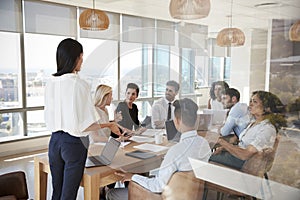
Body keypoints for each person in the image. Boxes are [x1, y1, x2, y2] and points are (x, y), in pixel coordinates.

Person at [44, 38, 120, 200]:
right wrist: (110, 124)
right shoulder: (79, 84)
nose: (82, 62)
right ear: (75, 58)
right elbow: (87, 124)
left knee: (57, 191)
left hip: (54, 142)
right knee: (69, 195)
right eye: (81, 57)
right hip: (73, 144)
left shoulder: (50, 83)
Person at [106, 98, 211, 200]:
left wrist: (132, 176)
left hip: (161, 196)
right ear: (197, 120)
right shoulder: (204, 144)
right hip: (193, 195)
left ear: (177, 121)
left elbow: (157, 186)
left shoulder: (175, 151)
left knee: (111, 193)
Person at [209, 91, 286, 170]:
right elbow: (243, 146)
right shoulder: (253, 123)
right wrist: (224, 148)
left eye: (255, 102)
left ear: (266, 108)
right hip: (237, 158)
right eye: (250, 101)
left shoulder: (267, 129)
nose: (251, 104)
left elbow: (245, 155)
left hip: (243, 163)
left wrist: (221, 142)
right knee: (206, 156)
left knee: (205, 159)